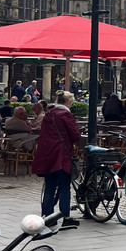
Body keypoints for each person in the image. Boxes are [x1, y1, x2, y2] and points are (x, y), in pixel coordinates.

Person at [32, 91, 81, 228]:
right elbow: (75, 135)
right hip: (61, 155)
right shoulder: (66, 115)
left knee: (50, 187)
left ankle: (48, 218)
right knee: (64, 187)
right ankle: (65, 216)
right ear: (68, 102)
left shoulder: (49, 114)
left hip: (47, 155)